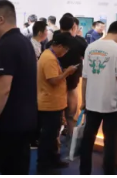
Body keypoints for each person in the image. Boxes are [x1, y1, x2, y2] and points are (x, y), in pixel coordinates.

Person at [0, 0, 37, 175]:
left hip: (8, 126)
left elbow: (3, 89)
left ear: (1, 19)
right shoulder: (24, 42)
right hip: (23, 123)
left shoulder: (7, 45)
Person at [79, 21, 117, 175]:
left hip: (91, 102)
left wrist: (84, 100)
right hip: (111, 104)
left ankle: (84, 172)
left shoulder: (91, 47)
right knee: (111, 143)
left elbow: (85, 78)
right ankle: (108, 173)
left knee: (87, 141)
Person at [37, 32, 76, 172]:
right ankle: (44, 166)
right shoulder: (49, 58)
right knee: (48, 137)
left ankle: (53, 160)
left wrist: (63, 72)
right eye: (65, 49)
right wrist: (67, 72)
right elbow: (53, 80)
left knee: (53, 136)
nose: (65, 53)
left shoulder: (51, 56)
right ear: (59, 46)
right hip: (49, 104)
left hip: (54, 103)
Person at [58, 14, 88, 147]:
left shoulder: (53, 41)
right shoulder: (80, 42)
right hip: (72, 82)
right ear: (74, 26)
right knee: (70, 115)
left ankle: (57, 141)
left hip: (54, 83)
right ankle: (71, 141)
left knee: (57, 116)